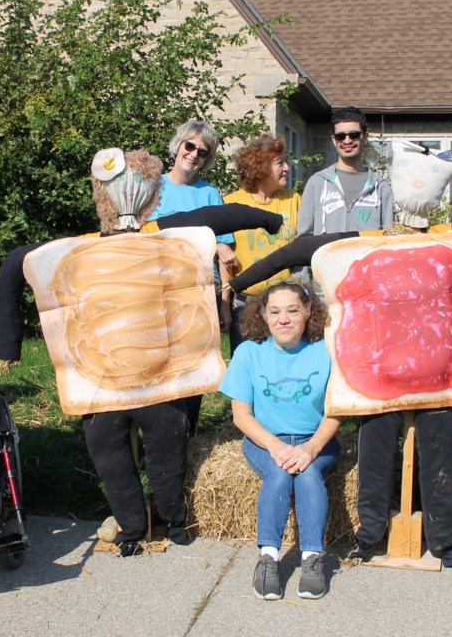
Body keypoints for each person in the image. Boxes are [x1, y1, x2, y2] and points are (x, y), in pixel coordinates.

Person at [218, 281, 341, 600]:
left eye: (292, 310)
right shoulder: (248, 352)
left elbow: (337, 412)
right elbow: (241, 416)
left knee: (309, 473)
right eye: (274, 311)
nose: (283, 319)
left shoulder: (326, 349)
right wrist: (277, 447)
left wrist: (311, 448)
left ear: (308, 312)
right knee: (280, 473)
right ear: (262, 314)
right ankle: (268, 559)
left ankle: (313, 559)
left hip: (316, 440)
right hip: (264, 441)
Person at [147, 120, 236, 433]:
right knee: (160, 365)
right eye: (190, 146)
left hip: (200, 292)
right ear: (178, 145)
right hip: (159, 292)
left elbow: (227, 254)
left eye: (203, 151)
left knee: (195, 366)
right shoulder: (152, 188)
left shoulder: (210, 194)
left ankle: (189, 432)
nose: (194, 154)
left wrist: (225, 303)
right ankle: (162, 433)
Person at [222, 134, 301, 355]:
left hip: (286, 305)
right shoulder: (231, 203)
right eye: (279, 163)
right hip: (246, 306)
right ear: (261, 167)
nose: (286, 167)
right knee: (250, 374)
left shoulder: (293, 200)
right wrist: (225, 306)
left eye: (285, 161)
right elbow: (225, 260)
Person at [296, 106, 394, 236]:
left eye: (354, 135)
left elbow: (388, 239)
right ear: (333, 140)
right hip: (328, 256)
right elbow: (304, 238)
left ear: (365, 137)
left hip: (365, 256)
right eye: (340, 136)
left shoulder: (380, 187)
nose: (347, 141)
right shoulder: (317, 183)